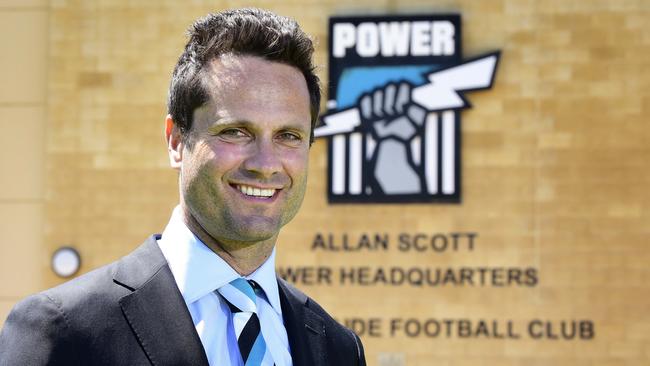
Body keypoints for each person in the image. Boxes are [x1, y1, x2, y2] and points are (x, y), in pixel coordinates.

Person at [0, 8, 366, 366]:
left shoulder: (338, 349)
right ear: (176, 141)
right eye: (236, 131)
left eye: (289, 135)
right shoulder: (64, 330)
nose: (265, 163)